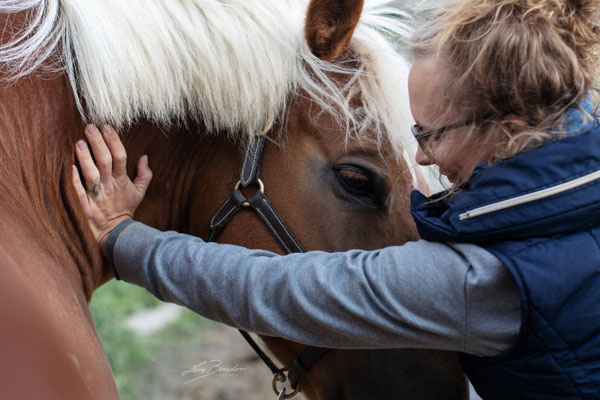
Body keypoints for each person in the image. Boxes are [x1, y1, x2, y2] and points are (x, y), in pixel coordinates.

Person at [72, 0, 600, 397]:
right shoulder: (569, 201)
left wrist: (123, 238)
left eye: (432, 135)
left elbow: (279, 290)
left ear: (506, 130)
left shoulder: (489, 280)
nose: (421, 159)